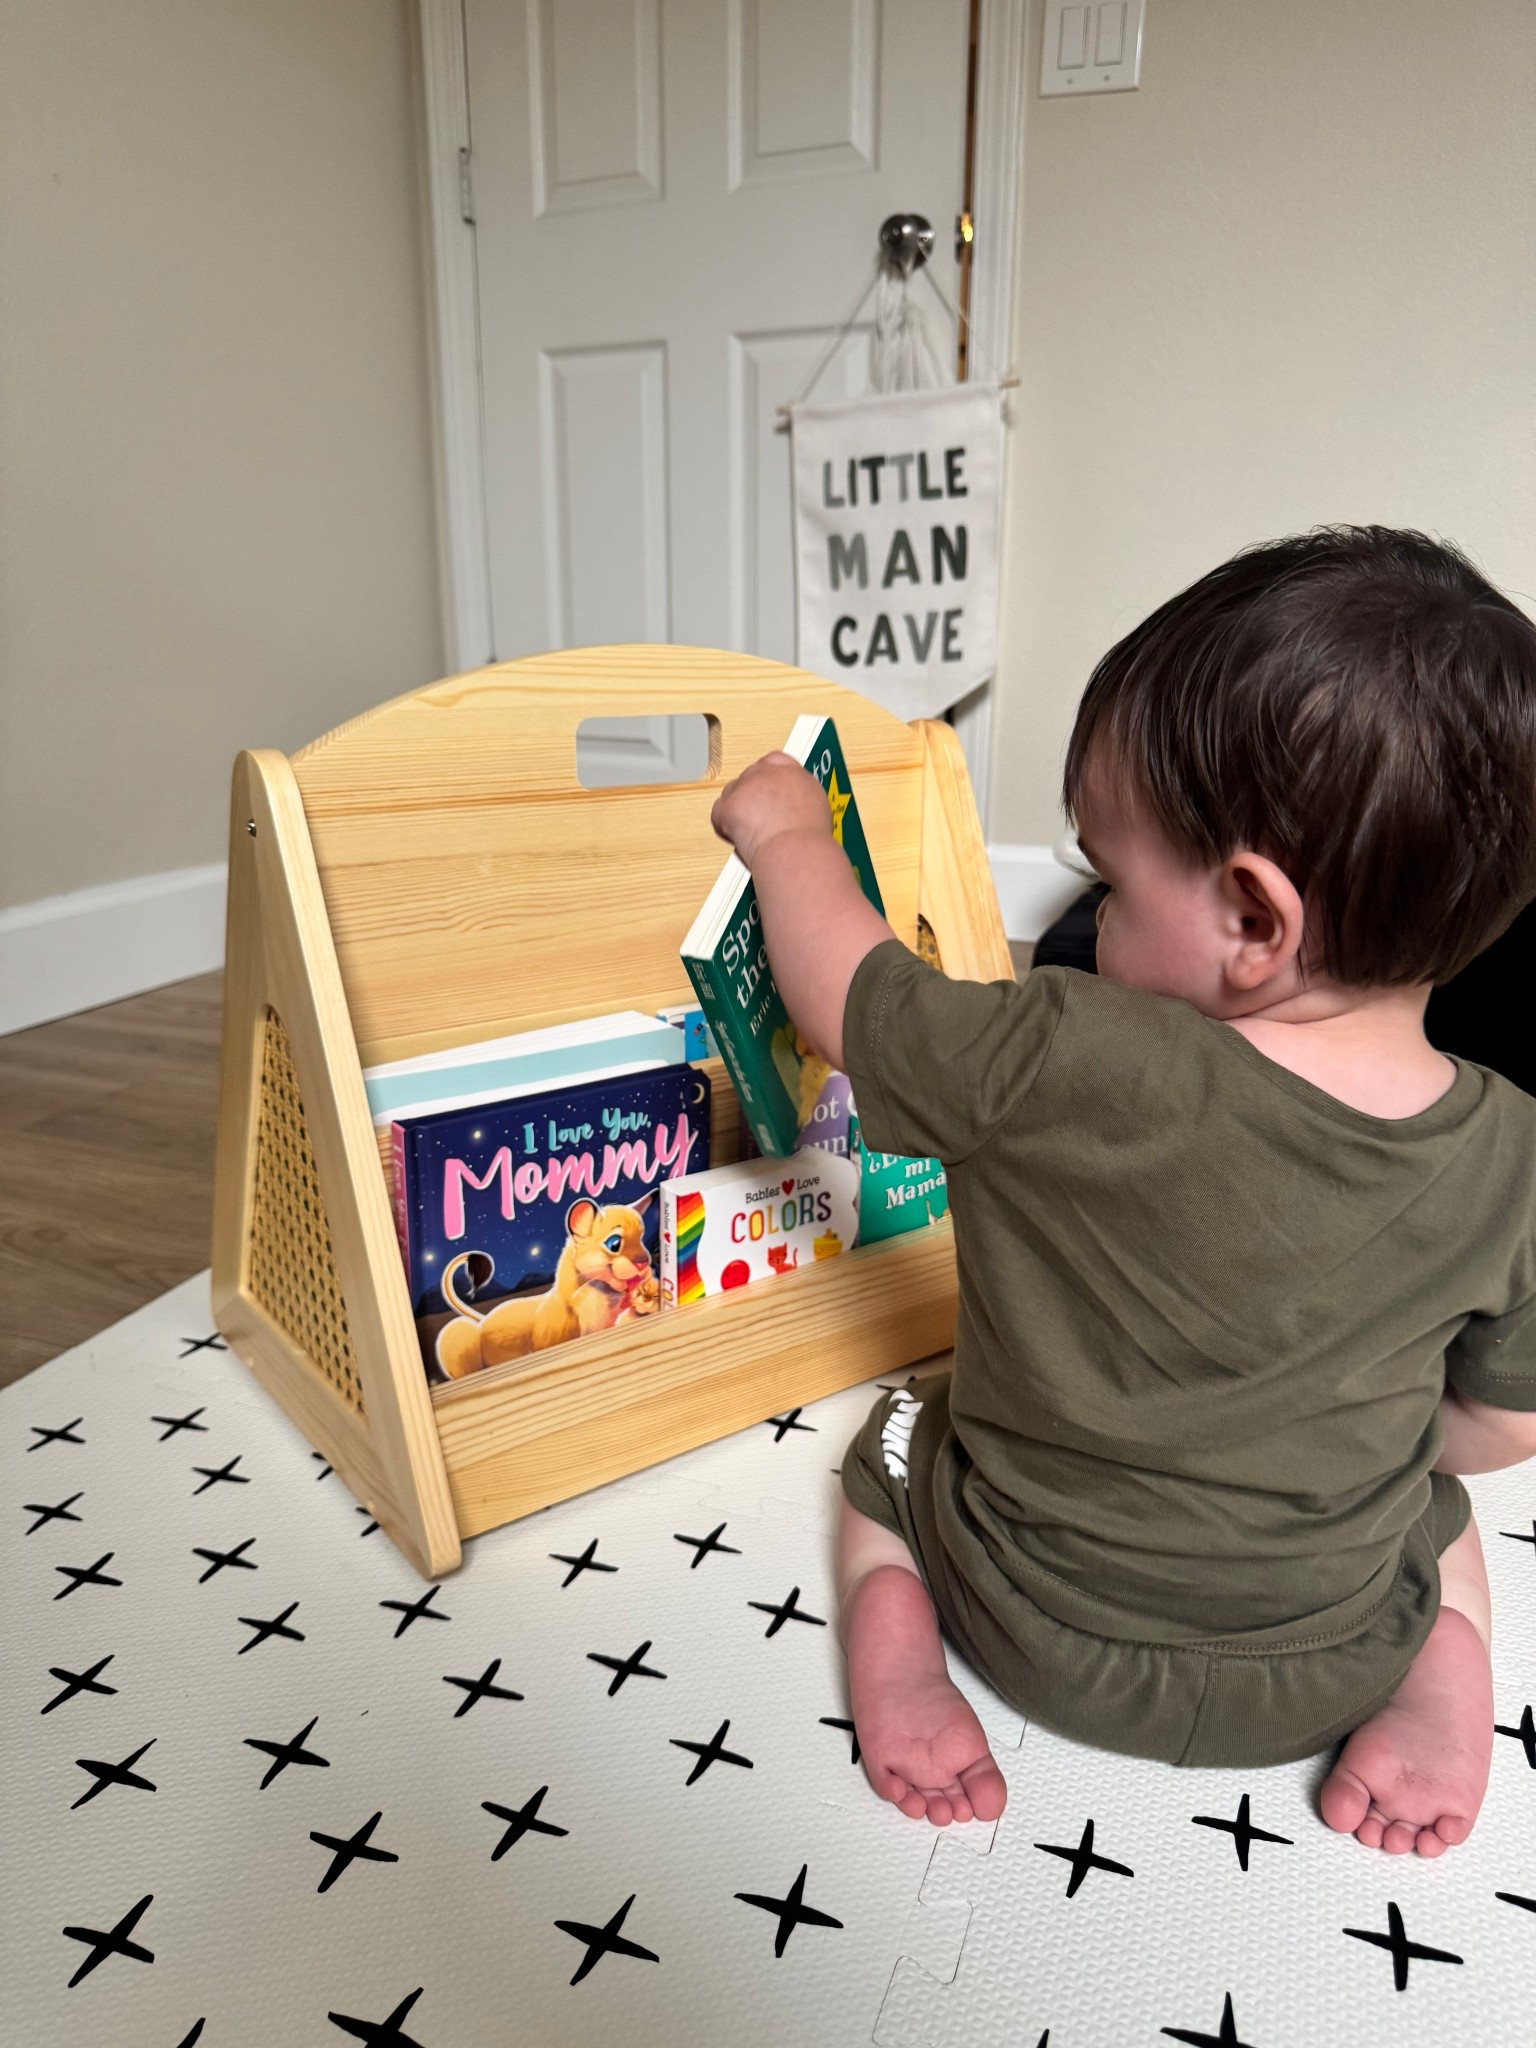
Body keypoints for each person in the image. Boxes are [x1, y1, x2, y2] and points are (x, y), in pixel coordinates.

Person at [709, 527, 1536, 1857]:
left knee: (891, 1451)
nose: (1093, 907)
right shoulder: (1515, 1160)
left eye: (1112, 873)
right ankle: (1441, 1677)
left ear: (1255, 925)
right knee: (1433, 1517)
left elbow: (857, 1000)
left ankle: (902, 1649)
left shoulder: (1058, 1051)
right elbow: (1497, 1431)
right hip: (1326, 1658)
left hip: (1035, 1629)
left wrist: (785, 832)